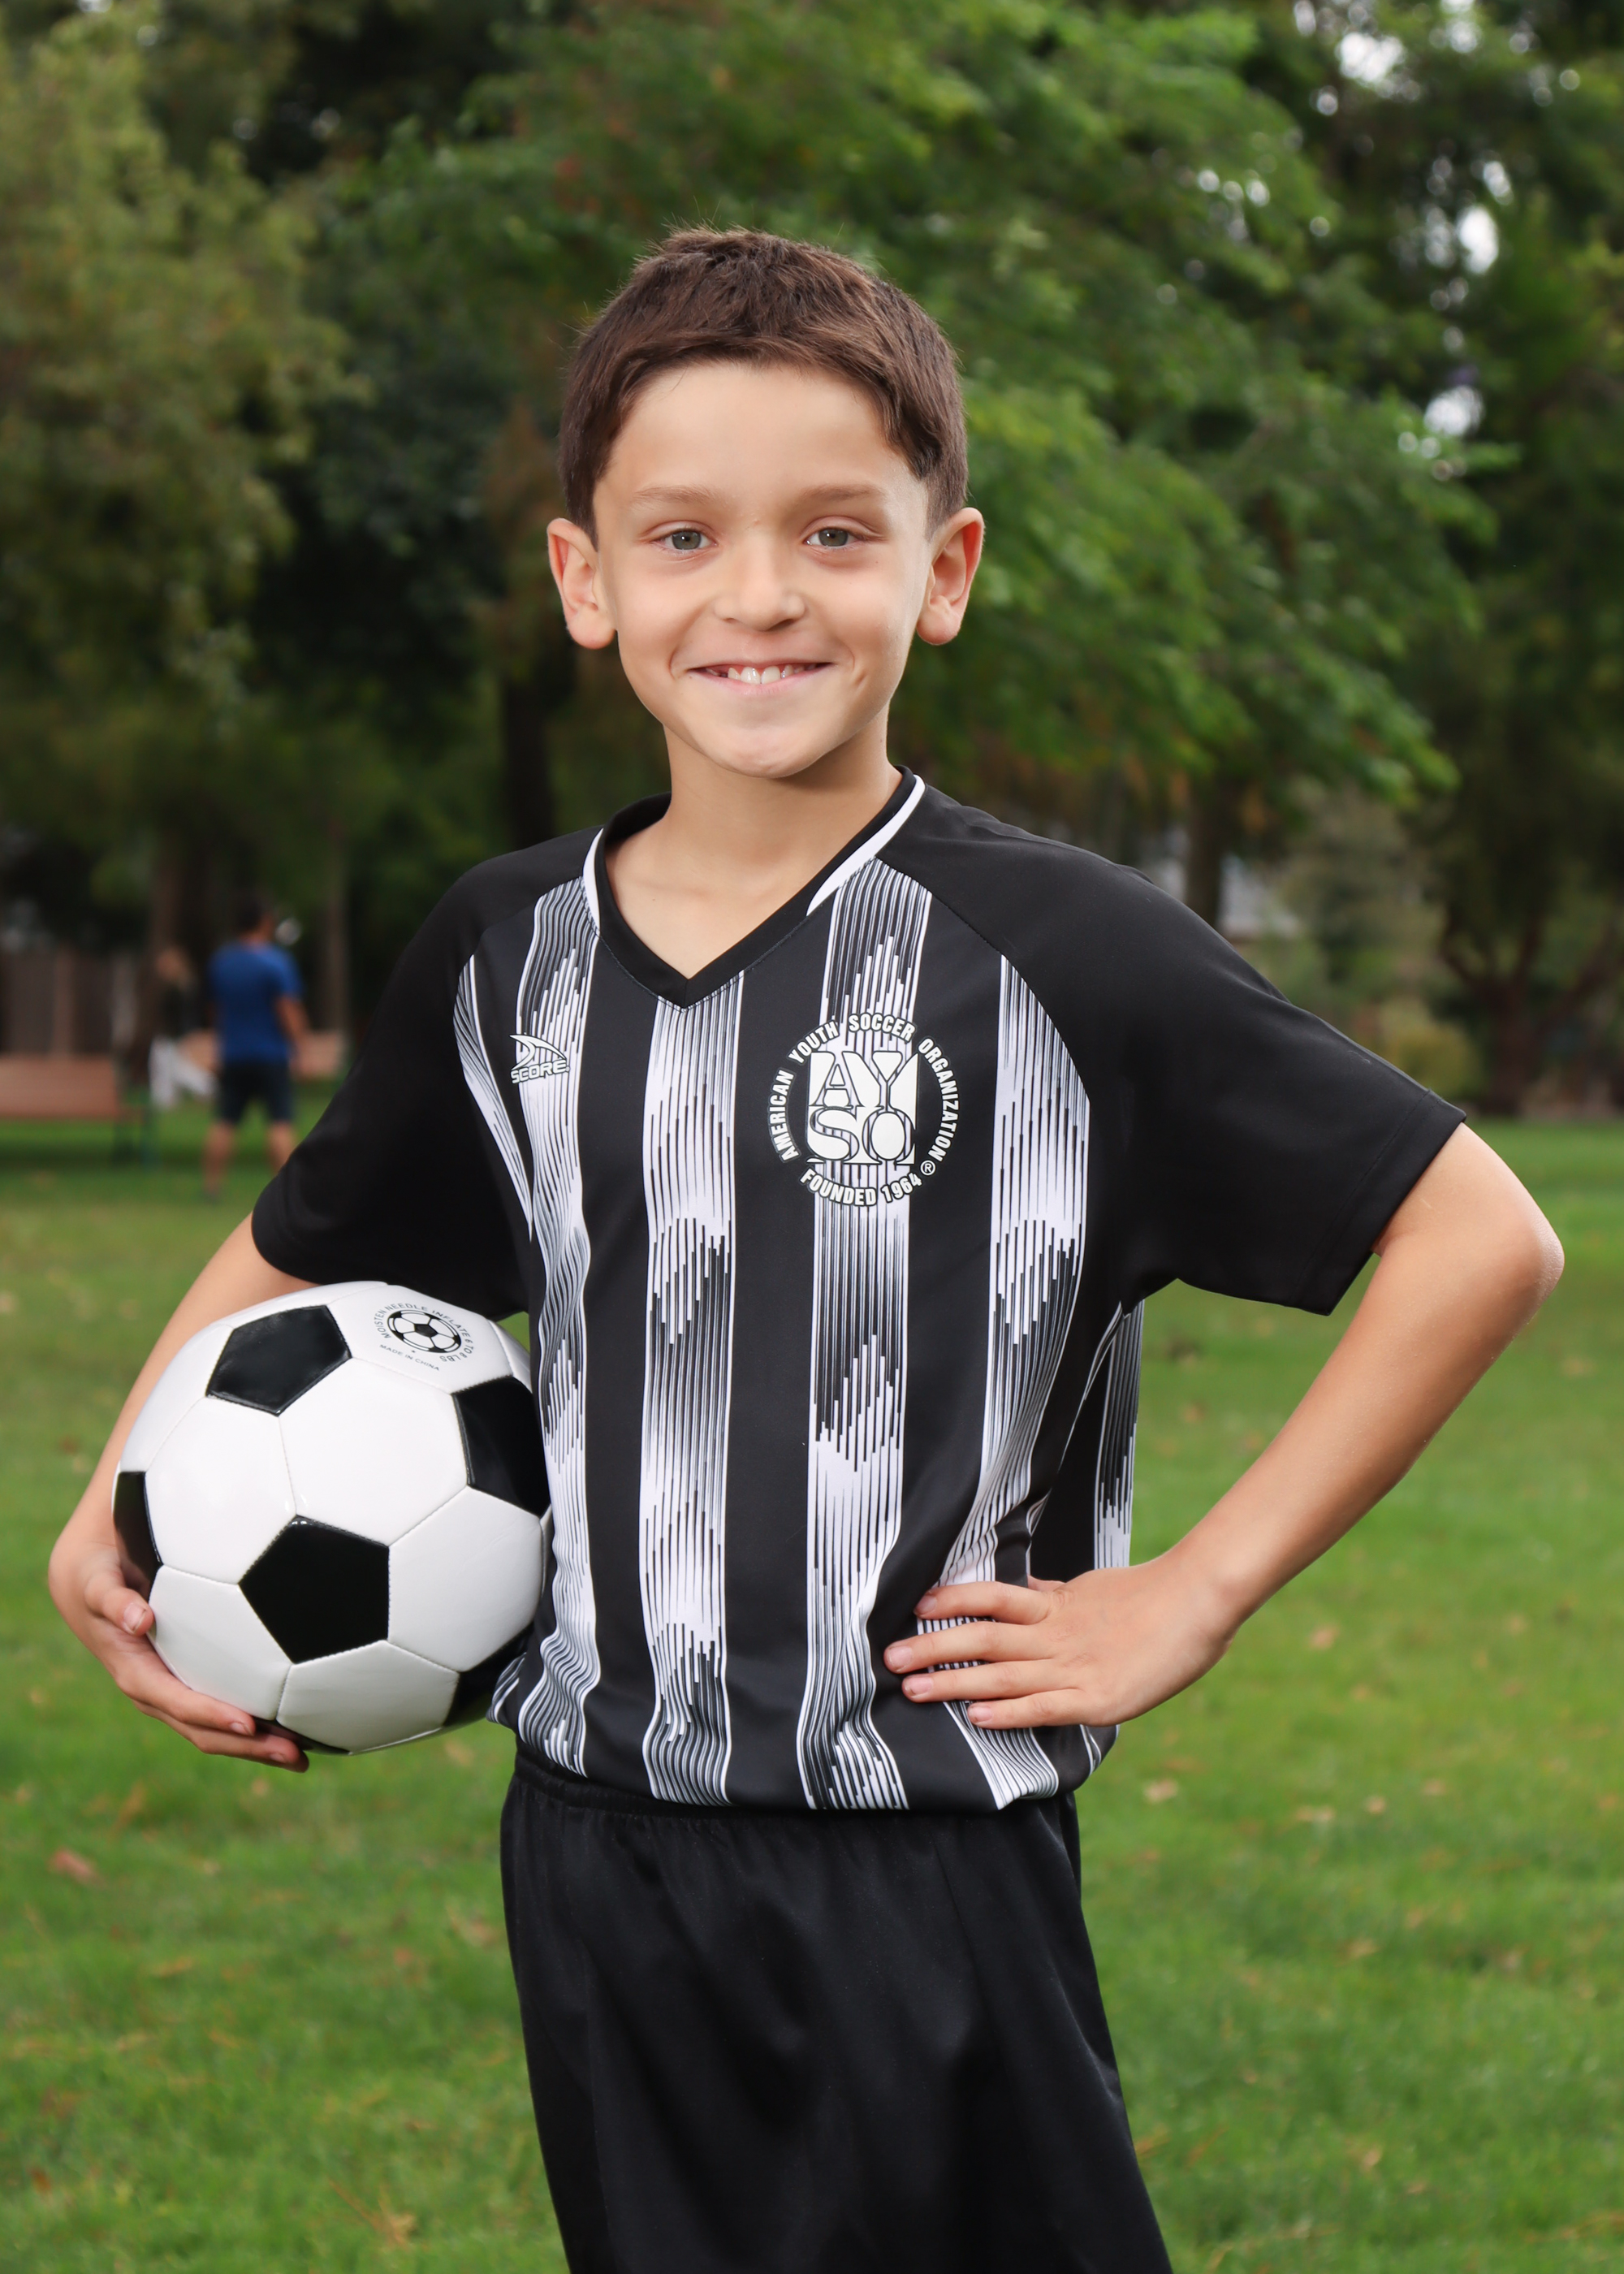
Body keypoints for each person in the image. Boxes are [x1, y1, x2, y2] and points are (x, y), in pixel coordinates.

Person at [49, 231, 1562, 2272]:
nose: (756, 594)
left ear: (941, 571)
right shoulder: (505, 955)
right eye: (683, 535)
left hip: (926, 1860)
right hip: (596, 1852)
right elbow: (305, 1238)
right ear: (587, 580)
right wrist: (114, 1494)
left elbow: (1474, 1234)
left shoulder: (1064, 956)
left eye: (833, 532)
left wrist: (1193, 1590)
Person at [201, 892, 306, 1199]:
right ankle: (287, 1193)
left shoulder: (222, 962)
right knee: (280, 1122)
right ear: (265, 921)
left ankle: (211, 1187)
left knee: (225, 1121)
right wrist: (300, 1047)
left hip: (234, 1054)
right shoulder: (276, 962)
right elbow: (288, 1010)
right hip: (270, 1054)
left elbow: (214, 1011)